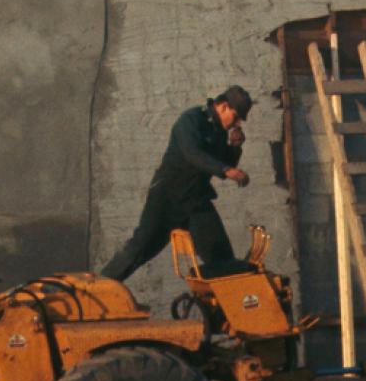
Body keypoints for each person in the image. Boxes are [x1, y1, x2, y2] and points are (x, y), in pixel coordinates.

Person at [101, 86, 254, 283]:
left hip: (196, 201)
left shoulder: (219, 131)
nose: (238, 123)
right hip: (167, 198)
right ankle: (98, 289)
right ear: (224, 106)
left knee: (223, 260)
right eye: (236, 116)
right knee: (140, 248)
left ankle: (218, 310)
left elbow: (222, 161)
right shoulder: (191, 119)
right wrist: (227, 171)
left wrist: (234, 147)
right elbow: (193, 154)